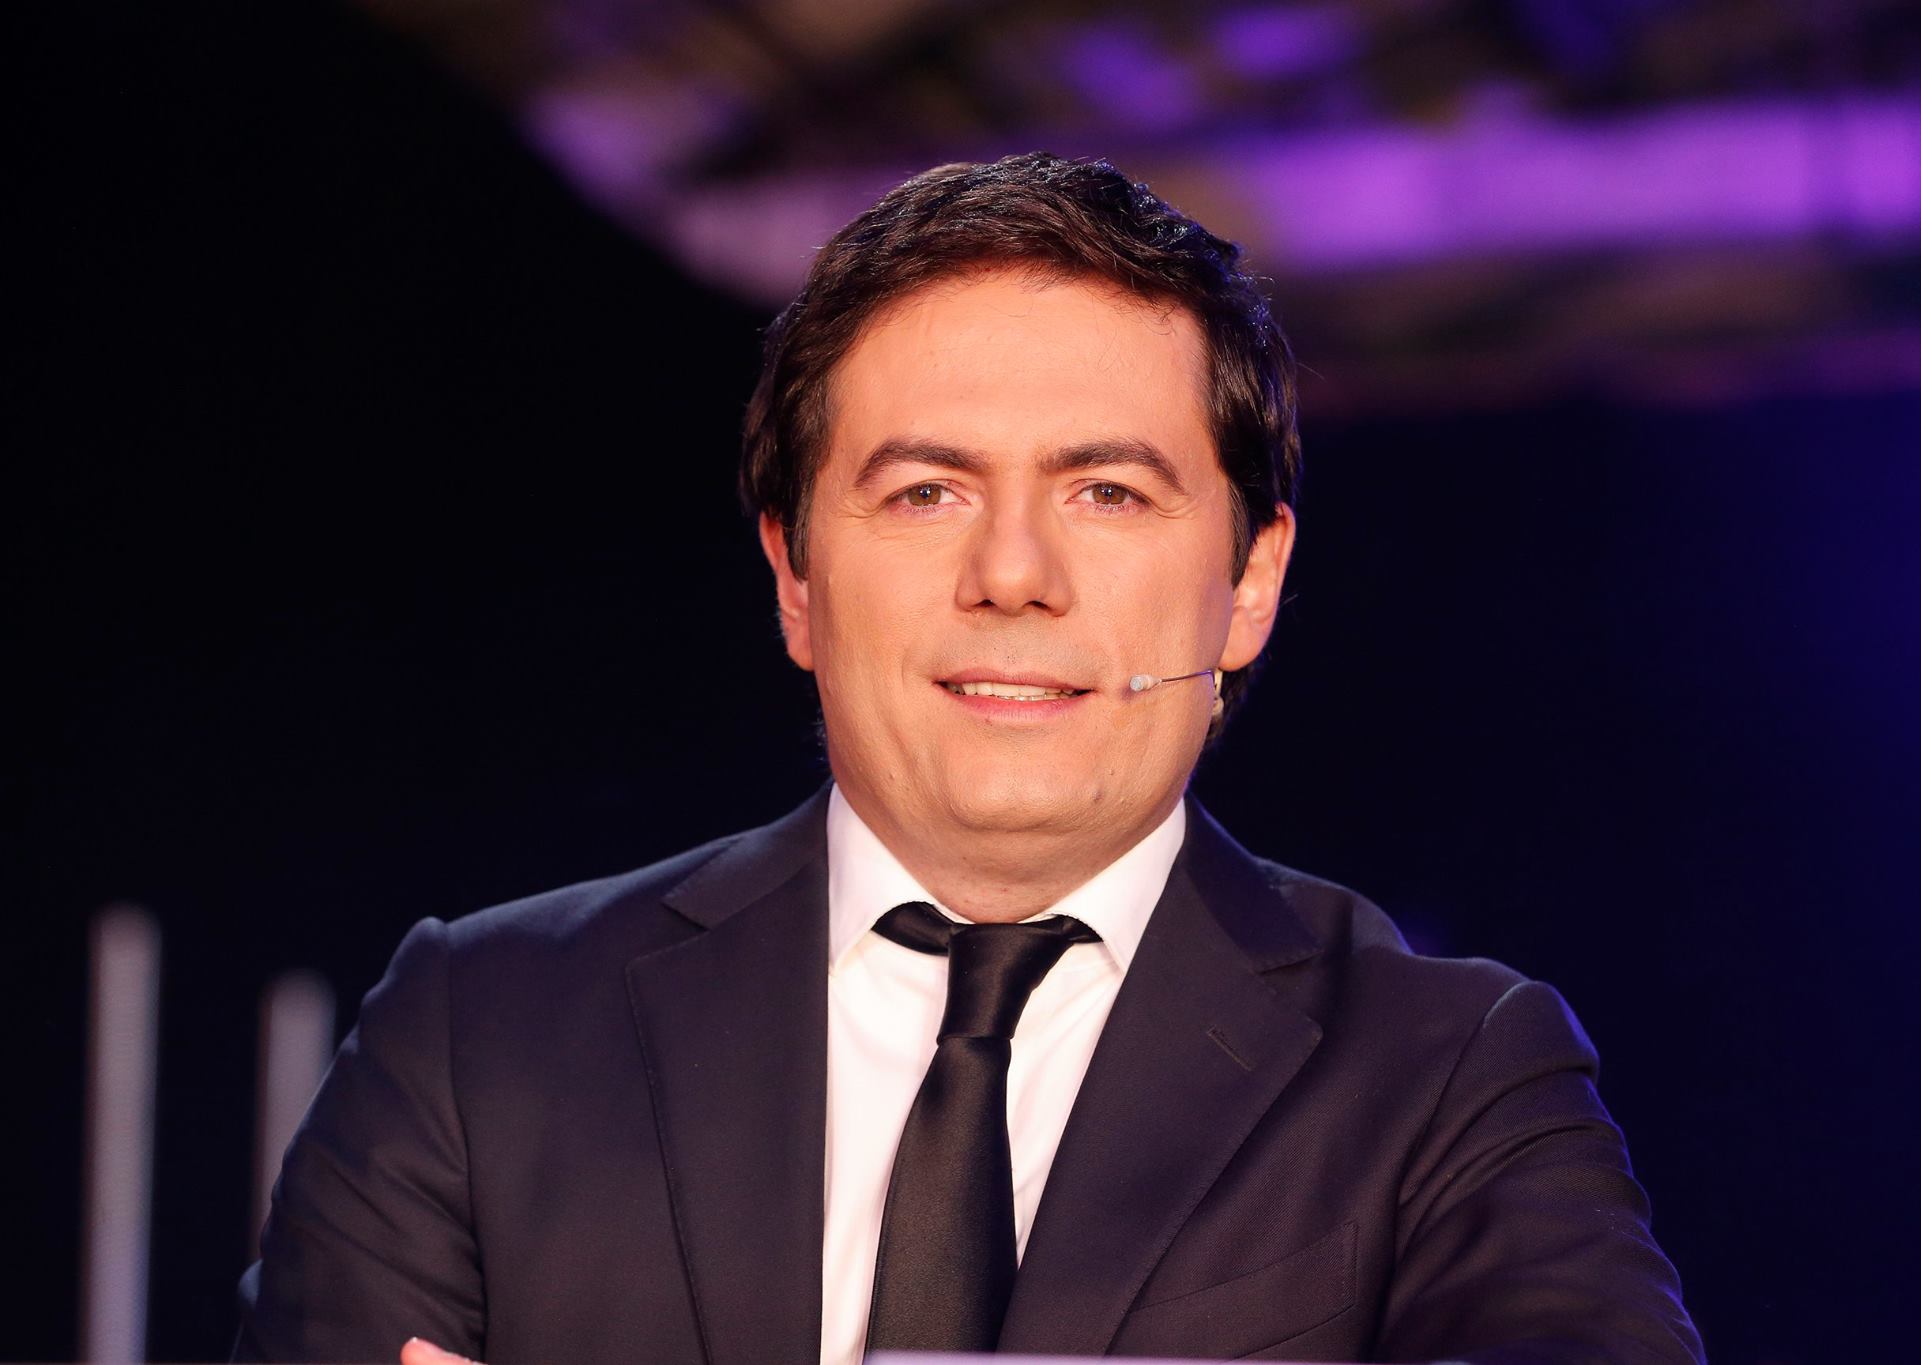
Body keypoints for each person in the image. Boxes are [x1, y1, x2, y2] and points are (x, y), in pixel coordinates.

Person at [234, 153, 1702, 1364]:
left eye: (1107, 492)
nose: (1012, 575)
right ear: (795, 577)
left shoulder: (1448, 1075)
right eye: (927, 492)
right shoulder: (479, 1034)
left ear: (1250, 582)